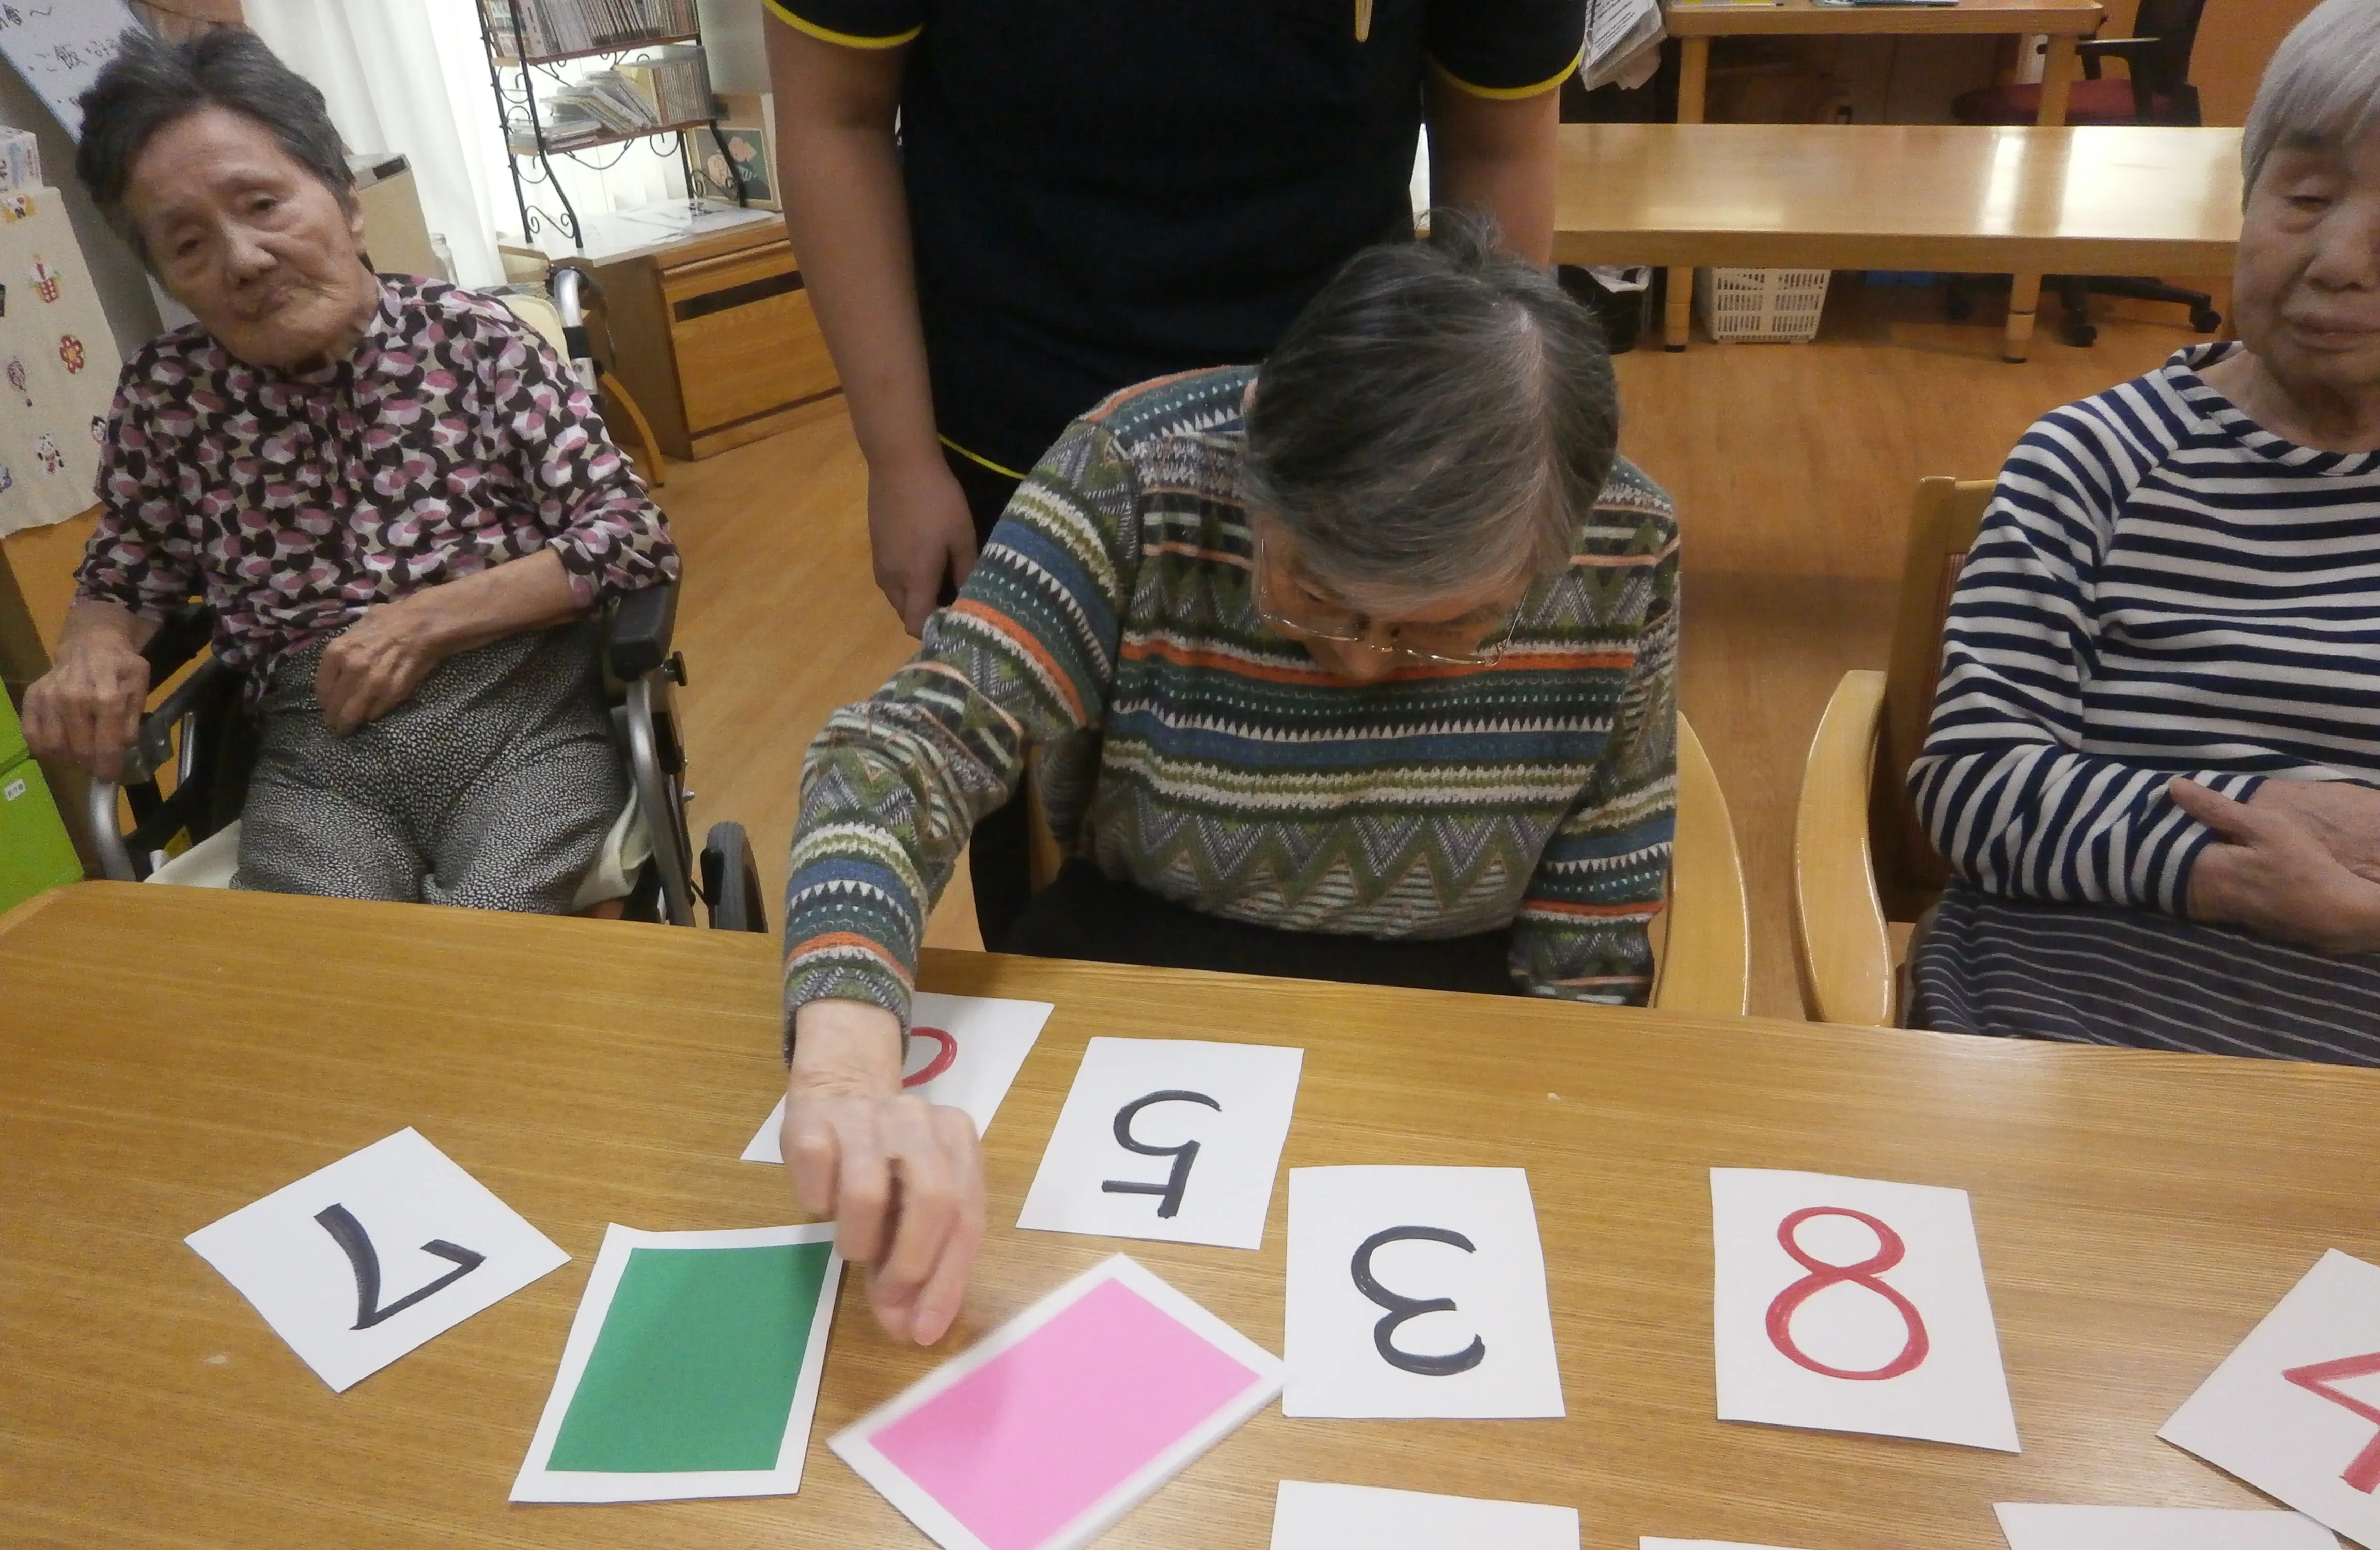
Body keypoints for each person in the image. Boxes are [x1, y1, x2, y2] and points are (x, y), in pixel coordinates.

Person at [775, 218, 1679, 1344]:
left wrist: (1565, 1135)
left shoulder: (1622, 540)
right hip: (1142, 968)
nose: (1358, 660)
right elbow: (901, 756)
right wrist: (851, 1071)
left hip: (1454, 1015)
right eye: (1313, 593)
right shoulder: (1141, 466)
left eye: (1446, 631)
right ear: (1256, 454)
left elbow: (1597, 906)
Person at [765, 0, 1586, 943]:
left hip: (1348, 447)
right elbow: (837, 115)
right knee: (1039, 858)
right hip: (1022, 431)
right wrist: (900, 456)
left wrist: (1474, 448)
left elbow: (1500, 145)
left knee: (1360, 851)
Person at [21, 29, 677, 913]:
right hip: (318, 759)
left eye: (263, 205)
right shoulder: (168, 395)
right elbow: (126, 571)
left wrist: (425, 622)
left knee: (496, 930)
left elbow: (628, 536)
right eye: (188, 245)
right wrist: (90, 652)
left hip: (521, 724)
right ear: (168, 278)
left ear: (345, 202)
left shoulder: (472, 339)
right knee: (327, 955)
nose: (244, 260)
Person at [1907, 0, 2380, 1066]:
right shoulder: (2096, 460)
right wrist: (2249, 850)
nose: (2342, 260)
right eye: (2304, 197)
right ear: (2247, 197)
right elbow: (1975, 780)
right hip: (2061, 1039)